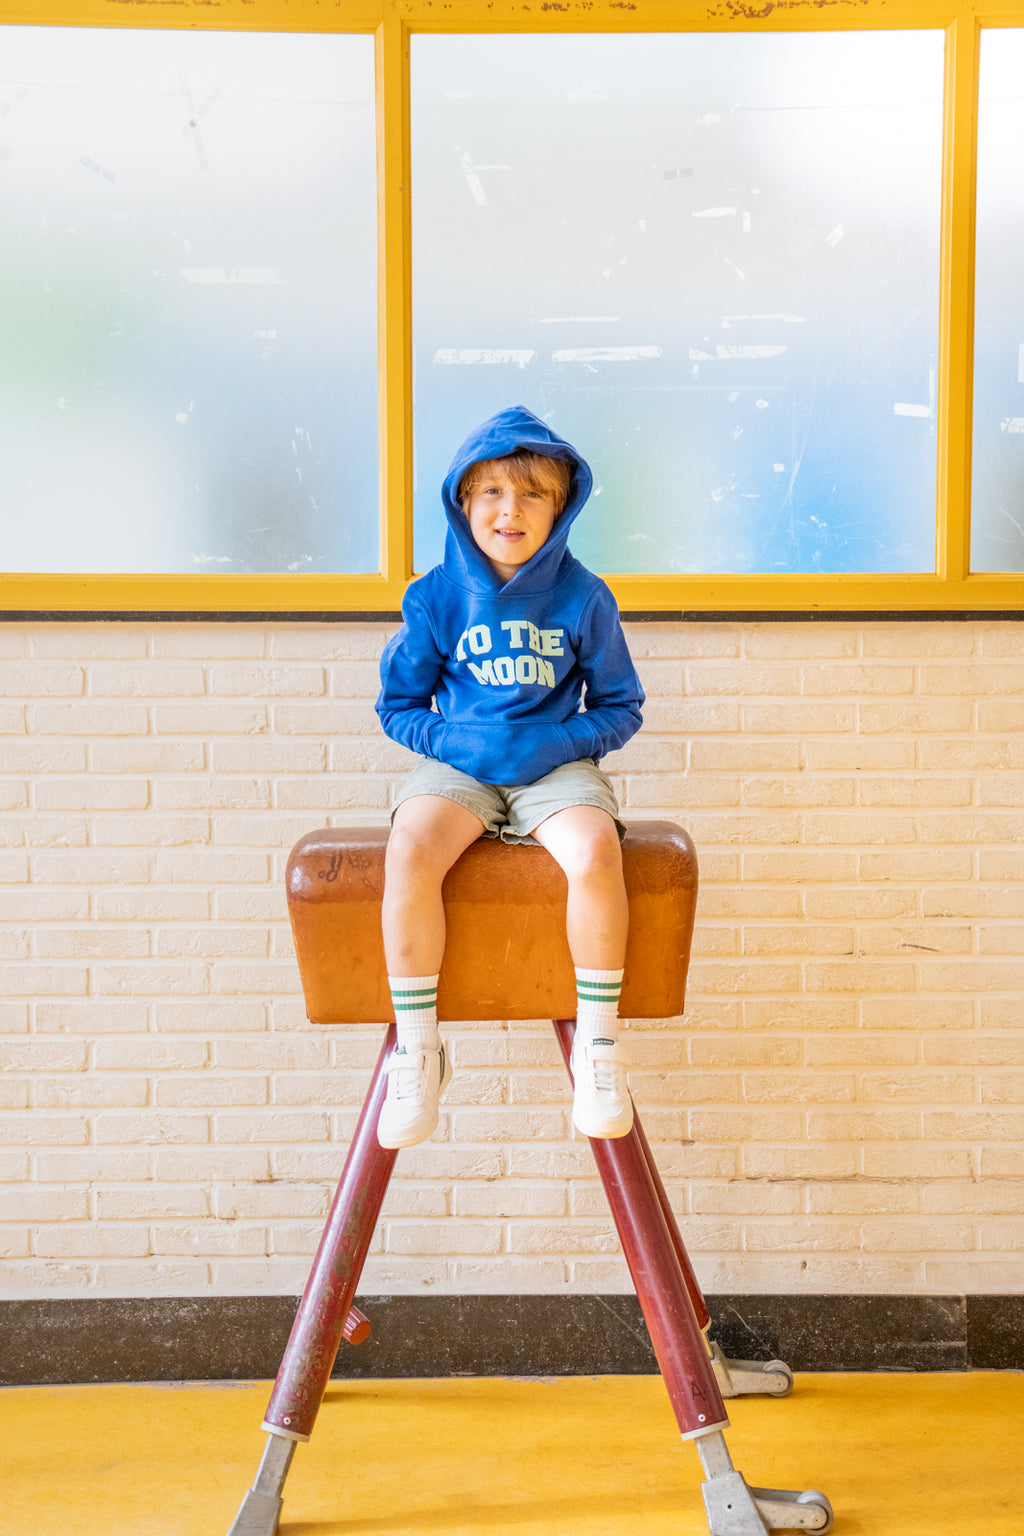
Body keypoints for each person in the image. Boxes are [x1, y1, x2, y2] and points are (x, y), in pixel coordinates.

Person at [374, 404, 644, 1150]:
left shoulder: (585, 596)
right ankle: (418, 1050)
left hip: (553, 769)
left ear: (561, 508)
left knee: (595, 851)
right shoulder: (433, 596)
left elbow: (621, 706)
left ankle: (597, 1049)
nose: (509, 509)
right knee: (410, 849)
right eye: (491, 491)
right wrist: (456, 739)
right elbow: (397, 707)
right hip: (459, 766)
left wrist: (557, 739)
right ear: (465, 503)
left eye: (531, 494)